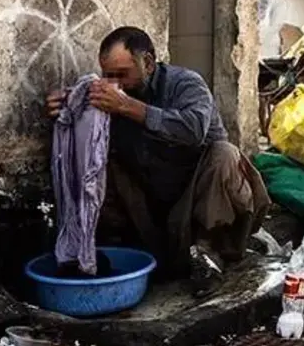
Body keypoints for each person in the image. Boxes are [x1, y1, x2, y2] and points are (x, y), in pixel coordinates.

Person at [46, 27, 270, 283]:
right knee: (101, 164)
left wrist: (128, 107)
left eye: (122, 74)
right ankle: (113, 252)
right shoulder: (111, 96)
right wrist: (67, 107)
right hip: (154, 212)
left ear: (149, 63)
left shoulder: (186, 84)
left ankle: (209, 257)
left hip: (200, 206)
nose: (114, 83)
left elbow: (192, 130)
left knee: (225, 154)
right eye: (108, 75)